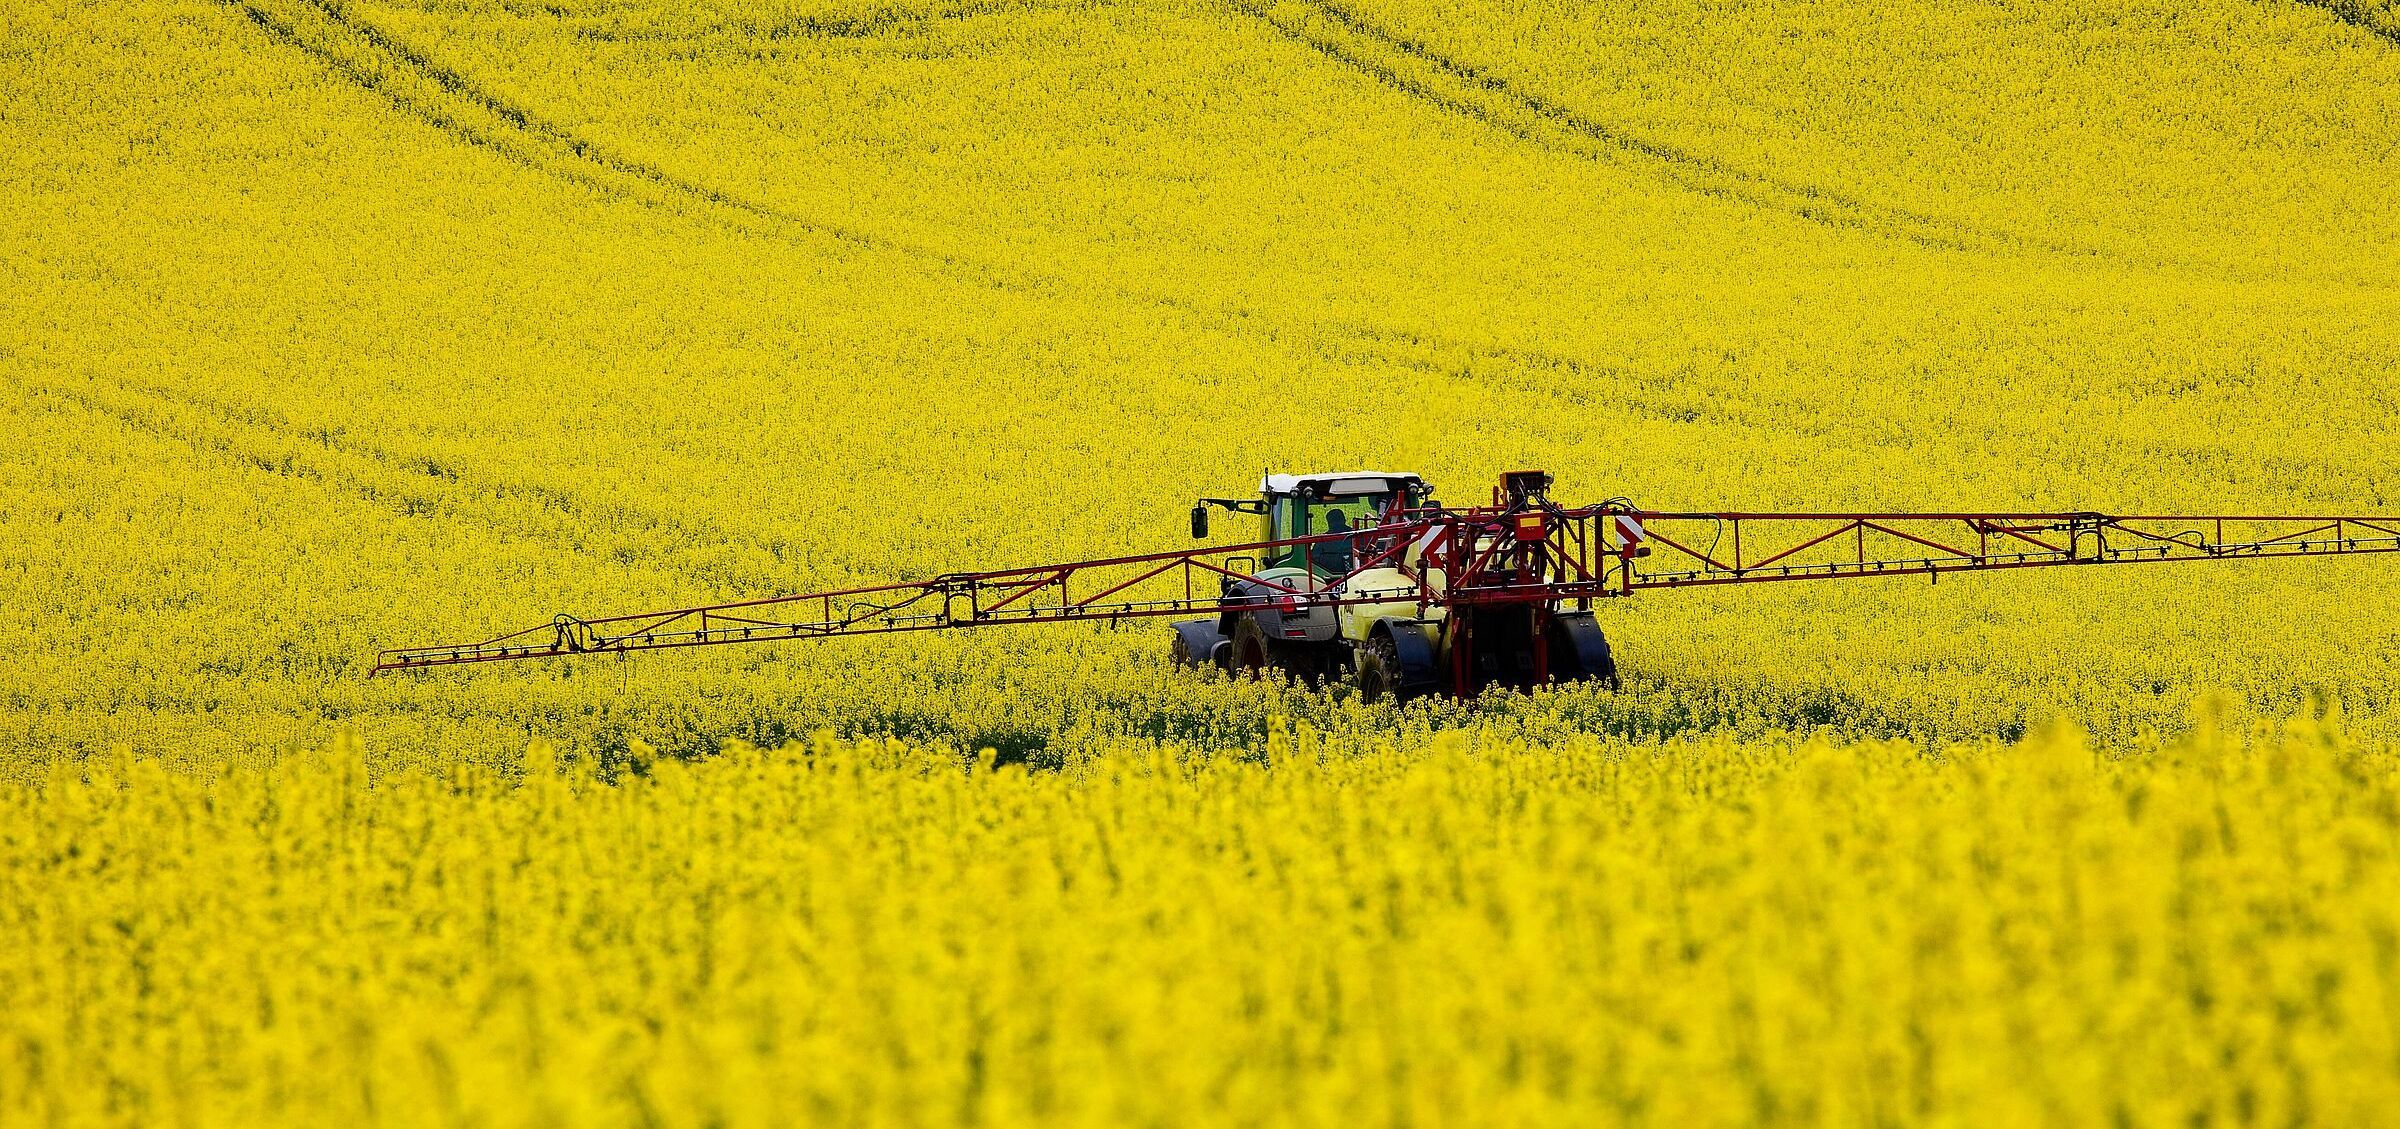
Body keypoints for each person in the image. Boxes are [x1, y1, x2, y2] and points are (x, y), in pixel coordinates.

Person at [1311, 509, 1353, 575]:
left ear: (1329, 523)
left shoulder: (1322, 541)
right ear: (1344, 520)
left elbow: (1314, 558)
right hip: (1355, 573)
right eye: (1334, 521)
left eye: (1337, 521)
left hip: (1326, 576)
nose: (1336, 524)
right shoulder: (1358, 536)